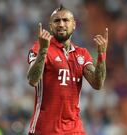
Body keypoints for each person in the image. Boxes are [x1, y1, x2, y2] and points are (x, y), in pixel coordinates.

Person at [27, 5, 108, 135]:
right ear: (51, 26)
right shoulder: (39, 48)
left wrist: (101, 55)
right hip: (45, 129)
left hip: (74, 130)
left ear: (74, 24)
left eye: (65, 20)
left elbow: (98, 84)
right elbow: (32, 80)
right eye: (56, 21)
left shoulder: (82, 53)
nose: (61, 24)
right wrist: (43, 50)